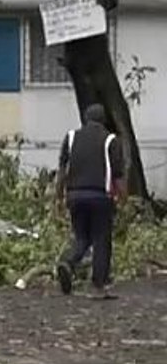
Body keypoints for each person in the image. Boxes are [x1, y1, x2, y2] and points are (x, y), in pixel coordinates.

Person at [55, 103, 125, 299]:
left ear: (86, 119)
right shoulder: (110, 140)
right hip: (100, 197)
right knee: (101, 239)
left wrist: (59, 198)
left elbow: (62, 171)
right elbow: (118, 176)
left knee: (82, 238)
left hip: (75, 196)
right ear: (104, 120)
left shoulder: (71, 137)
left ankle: (68, 262)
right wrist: (123, 199)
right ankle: (98, 286)